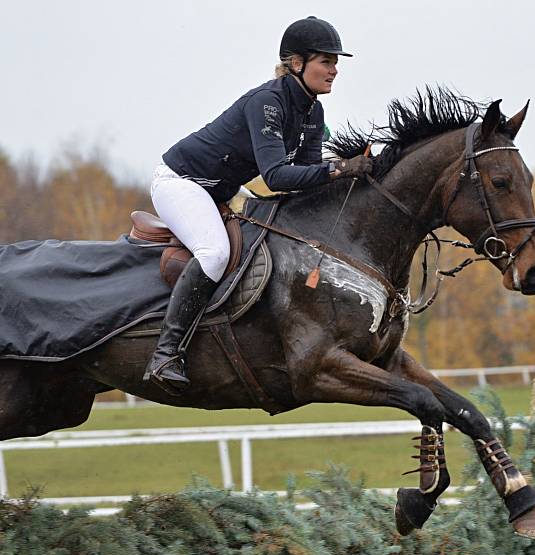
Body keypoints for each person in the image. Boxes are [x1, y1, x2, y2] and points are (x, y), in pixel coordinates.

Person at [143, 16, 373, 395]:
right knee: (214, 254)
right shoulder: (268, 102)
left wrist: (352, 177)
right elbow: (277, 176)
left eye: (336, 63)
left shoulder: (313, 111)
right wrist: (339, 169)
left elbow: (309, 174)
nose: (334, 71)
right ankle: (166, 354)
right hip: (181, 182)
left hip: (221, 190)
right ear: (297, 63)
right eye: (326, 62)